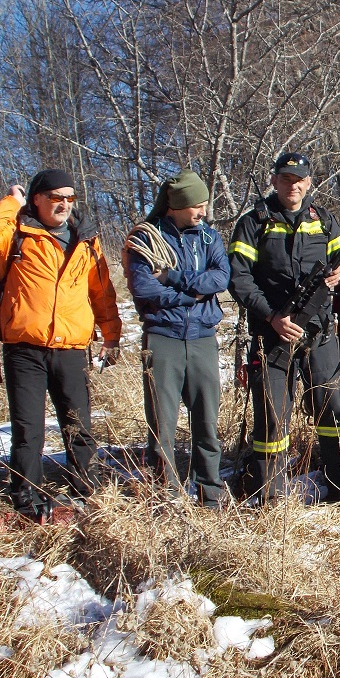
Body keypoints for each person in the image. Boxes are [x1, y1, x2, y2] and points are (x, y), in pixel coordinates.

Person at [0, 169, 122, 523]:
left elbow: (101, 292)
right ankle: (26, 498)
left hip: (70, 348)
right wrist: (13, 202)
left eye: (70, 198)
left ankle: (86, 490)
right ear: (37, 198)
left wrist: (111, 334)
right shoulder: (15, 235)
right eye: (56, 197)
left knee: (78, 426)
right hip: (25, 348)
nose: (64, 205)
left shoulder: (86, 240)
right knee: (28, 430)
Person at [228, 152, 340, 502]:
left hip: (319, 333)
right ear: (274, 181)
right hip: (271, 334)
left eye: (299, 179)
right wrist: (271, 316)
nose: (293, 185)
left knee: (331, 410)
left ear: (309, 183)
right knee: (273, 415)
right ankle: (271, 496)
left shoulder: (324, 220)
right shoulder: (254, 222)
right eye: (286, 179)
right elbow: (238, 278)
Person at [125, 169, 229, 508]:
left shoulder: (210, 238)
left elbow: (220, 279)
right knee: (162, 427)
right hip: (162, 338)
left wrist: (172, 276)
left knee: (207, 423)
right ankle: (164, 496)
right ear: (177, 205)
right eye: (196, 206)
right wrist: (187, 297)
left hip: (203, 339)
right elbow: (144, 288)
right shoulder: (145, 239)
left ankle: (209, 493)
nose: (202, 212)